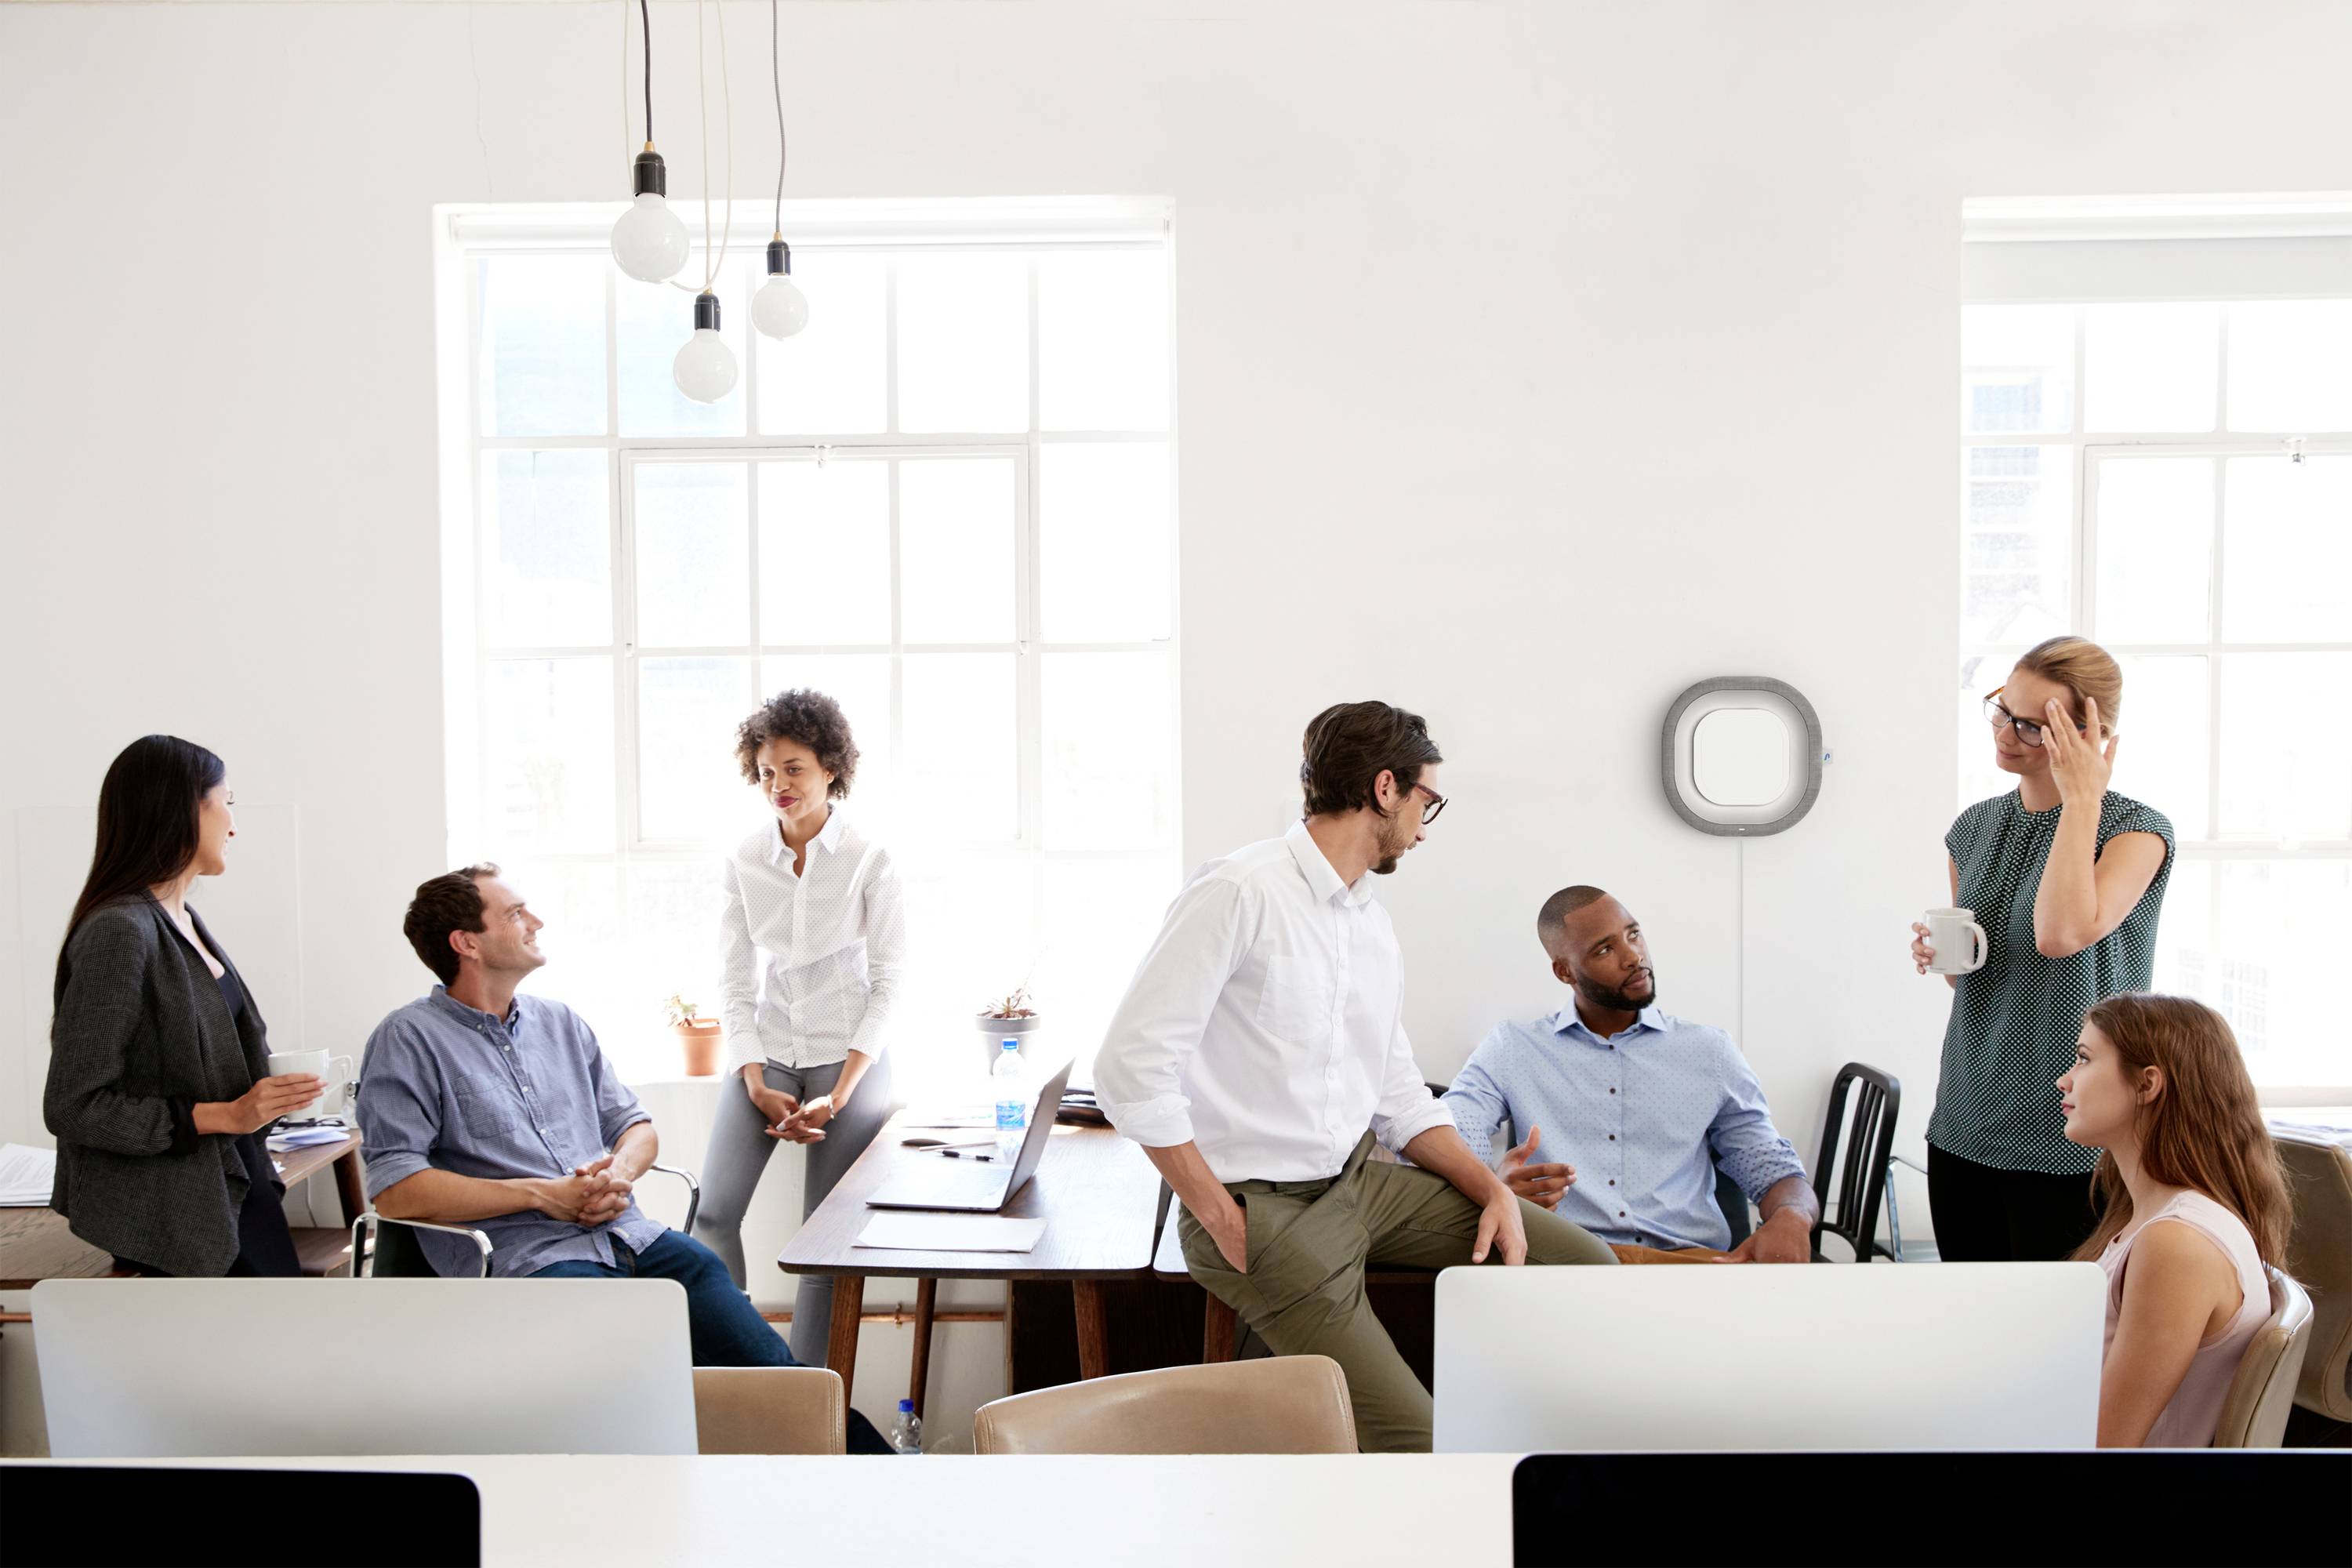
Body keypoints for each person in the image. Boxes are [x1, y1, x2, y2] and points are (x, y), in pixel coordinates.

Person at [1094, 700, 1616, 1454]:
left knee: (1584, 1264)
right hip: (1265, 1212)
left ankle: (1527, 1447)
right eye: (1427, 801)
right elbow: (1129, 1069)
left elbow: (1398, 1094)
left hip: (1356, 1186)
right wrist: (1221, 1218)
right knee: (1417, 1441)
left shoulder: (1368, 921)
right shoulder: (1239, 890)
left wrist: (1492, 1189)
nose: (1427, 825)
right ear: (1385, 789)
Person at [357, 863, 891, 1452]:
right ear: (467, 944)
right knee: (645, 1394)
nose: (536, 921)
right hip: (528, 1264)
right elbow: (397, 1189)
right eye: (514, 914)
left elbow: (634, 1127)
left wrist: (619, 1171)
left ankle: (877, 1483)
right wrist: (543, 1195)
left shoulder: (561, 1024)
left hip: (631, 1238)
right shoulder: (407, 1039)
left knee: (780, 1382)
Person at [1913, 636, 2173, 1261]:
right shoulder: (1972, 828)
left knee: (2059, 1337)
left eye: (2033, 726)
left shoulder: (2136, 832)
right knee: (1969, 1321)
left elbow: (2062, 935)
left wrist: (2081, 797)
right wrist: (1943, 956)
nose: (2006, 732)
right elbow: (1977, 978)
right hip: (1968, 1115)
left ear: (2091, 736)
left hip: (2074, 1132)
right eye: (2004, 710)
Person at [45, 735, 321, 1278]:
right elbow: (73, 1106)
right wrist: (229, 1115)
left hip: (232, 1184)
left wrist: (266, 1101)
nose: (234, 825)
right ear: (183, 808)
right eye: (227, 802)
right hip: (176, 1216)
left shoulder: (185, 921)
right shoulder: (119, 932)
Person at [691, 689, 906, 1369]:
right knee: (713, 1218)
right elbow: (733, 981)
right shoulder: (745, 860)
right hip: (769, 1051)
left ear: (831, 769)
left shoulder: (870, 860)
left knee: (824, 1245)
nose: (777, 786)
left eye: (794, 769)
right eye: (765, 773)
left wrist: (840, 1094)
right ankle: (739, 1371)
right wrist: (753, 1078)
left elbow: (890, 983)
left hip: (850, 1059)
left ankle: (805, 1395)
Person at [1445, 886, 1820, 1261]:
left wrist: (1793, 1215)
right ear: (1564, 971)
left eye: (1634, 934)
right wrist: (1493, 1185)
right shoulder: (1514, 1048)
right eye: (1605, 949)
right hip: (1568, 1266)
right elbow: (1454, 1130)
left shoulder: (1710, 1052)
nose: (1634, 957)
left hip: (1691, 1268)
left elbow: (1772, 1169)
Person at [2056, 993, 2292, 1447]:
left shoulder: (2177, 1244)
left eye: (2085, 1060)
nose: (2066, 1081)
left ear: (2147, 1085)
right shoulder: (2154, 1216)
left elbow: (2106, 1445)